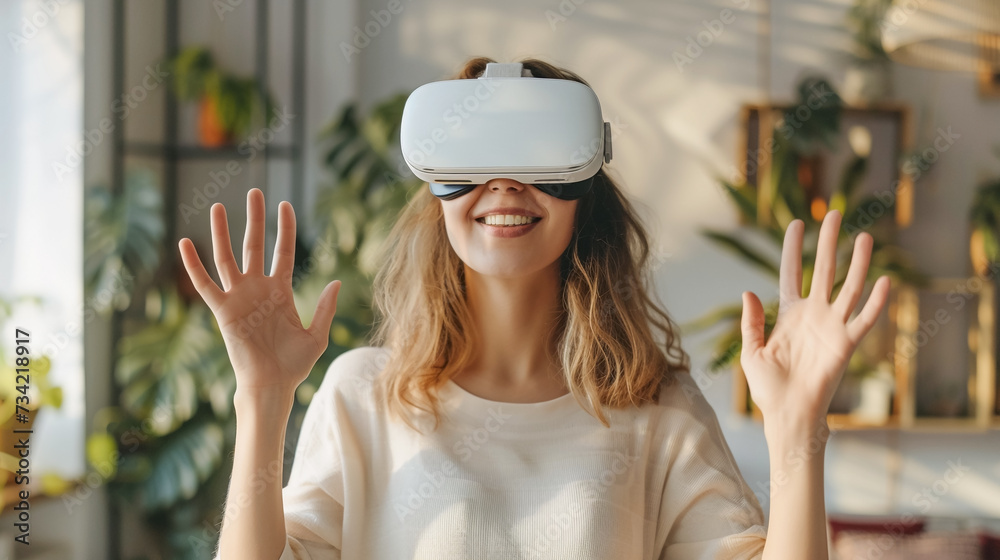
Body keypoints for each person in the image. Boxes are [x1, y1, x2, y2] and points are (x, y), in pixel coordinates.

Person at [179, 57, 891, 560]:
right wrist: (262, 400)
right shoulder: (363, 396)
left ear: (587, 186)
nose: (506, 184)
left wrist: (799, 430)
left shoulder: (660, 411)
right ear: (436, 192)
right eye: (474, 160)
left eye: (540, 157)